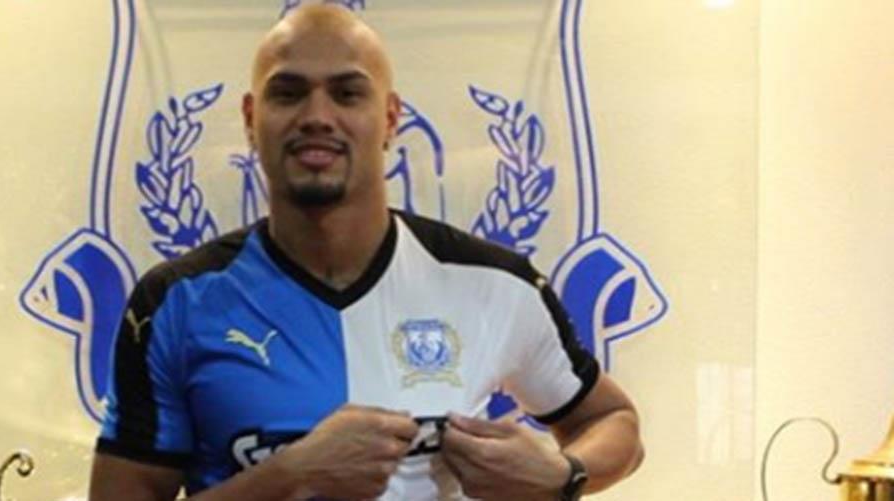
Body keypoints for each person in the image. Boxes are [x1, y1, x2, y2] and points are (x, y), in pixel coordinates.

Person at [87, 4, 643, 501]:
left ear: (391, 118)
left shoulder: (497, 283)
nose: (317, 116)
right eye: (288, 93)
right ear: (252, 120)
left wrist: (563, 474)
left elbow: (613, 420)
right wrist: (291, 474)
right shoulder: (175, 303)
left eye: (348, 93)